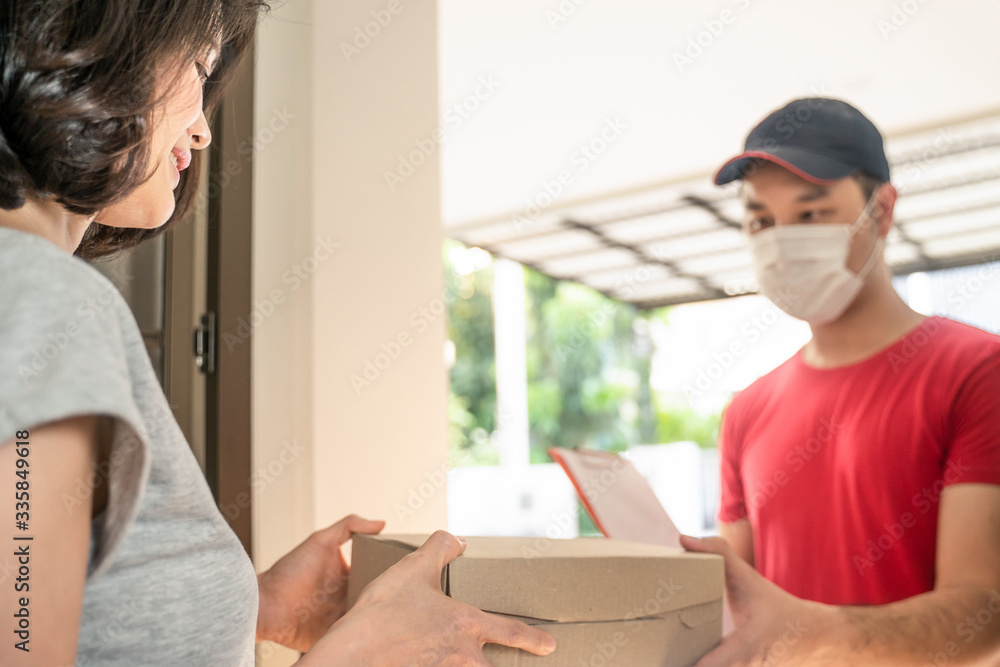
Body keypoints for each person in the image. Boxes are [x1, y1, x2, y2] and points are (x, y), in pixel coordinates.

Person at [0, 2, 555, 665]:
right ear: (85, 43)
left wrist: (250, 605)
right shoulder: (45, 298)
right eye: (198, 66)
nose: (202, 130)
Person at [680, 97, 1000, 665]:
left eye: (811, 213)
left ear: (882, 210)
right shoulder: (746, 412)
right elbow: (738, 603)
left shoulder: (978, 373)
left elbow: (984, 612)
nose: (782, 240)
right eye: (761, 220)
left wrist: (808, 630)